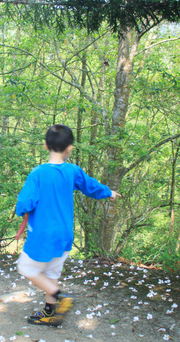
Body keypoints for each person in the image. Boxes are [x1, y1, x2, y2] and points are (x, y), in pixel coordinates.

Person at [15, 124, 120, 326]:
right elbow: (91, 187)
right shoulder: (73, 170)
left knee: (26, 267)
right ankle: (50, 313)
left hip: (43, 235)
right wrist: (109, 193)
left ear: (45, 145)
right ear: (69, 148)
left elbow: (25, 203)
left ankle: (59, 295)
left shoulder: (37, 173)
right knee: (51, 273)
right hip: (64, 234)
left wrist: (22, 211)